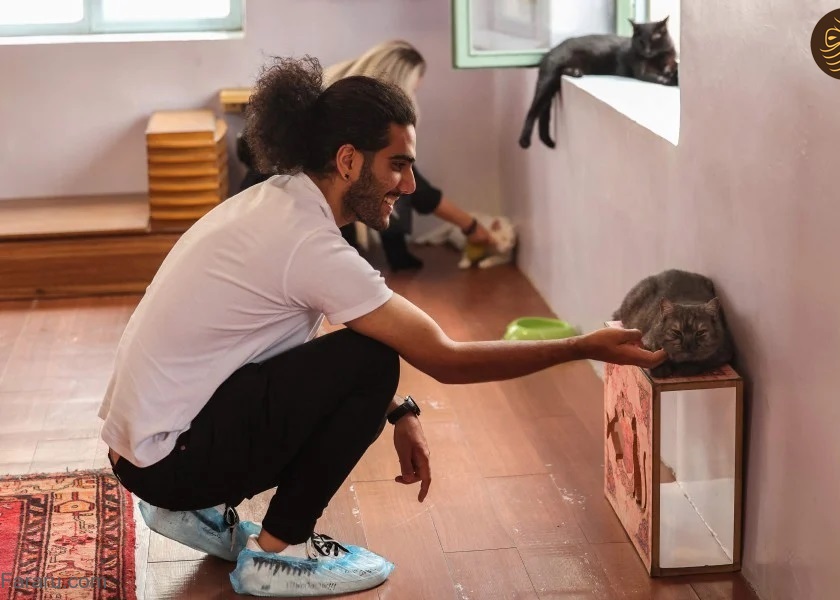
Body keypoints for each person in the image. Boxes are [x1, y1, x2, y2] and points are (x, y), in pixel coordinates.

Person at [99, 55, 666, 597]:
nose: (410, 184)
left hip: (142, 450)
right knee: (371, 362)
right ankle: (279, 553)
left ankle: (198, 512)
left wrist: (397, 411)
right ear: (348, 161)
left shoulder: (279, 200)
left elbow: (293, 355)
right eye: (398, 164)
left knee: (363, 360)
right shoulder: (309, 244)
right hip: (170, 463)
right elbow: (446, 359)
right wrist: (582, 347)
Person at [236, 40, 497, 271]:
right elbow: (413, 190)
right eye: (413, 91)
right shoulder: (362, 113)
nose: (413, 98)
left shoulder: (338, 91)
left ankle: (396, 256)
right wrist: (471, 226)